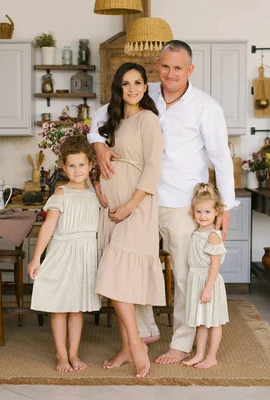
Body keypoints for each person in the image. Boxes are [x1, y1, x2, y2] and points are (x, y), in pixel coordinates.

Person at [88, 40, 240, 365]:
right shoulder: (143, 92)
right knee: (132, 266)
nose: (170, 74)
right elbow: (99, 118)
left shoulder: (205, 106)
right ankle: (141, 334)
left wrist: (225, 206)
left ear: (190, 70)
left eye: (178, 68)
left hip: (181, 202)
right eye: (166, 66)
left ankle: (181, 344)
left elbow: (221, 158)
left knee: (186, 276)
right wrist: (99, 146)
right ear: (158, 65)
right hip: (139, 200)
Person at [94, 62, 165, 378]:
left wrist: (130, 206)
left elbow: (153, 168)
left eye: (138, 82)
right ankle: (126, 347)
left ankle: (136, 345)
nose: (133, 88)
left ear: (146, 86)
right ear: (118, 88)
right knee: (118, 280)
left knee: (115, 271)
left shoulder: (148, 120)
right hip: (111, 208)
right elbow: (104, 158)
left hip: (136, 208)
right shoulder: (114, 120)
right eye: (126, 83)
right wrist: (98, 182)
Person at [27, 135, 101, 373]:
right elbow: (48, 227)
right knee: (59, 305)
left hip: (85, 254)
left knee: (77, 307)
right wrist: (36, 257)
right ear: (63, 167)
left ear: (91, 165)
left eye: (81, 165)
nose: (77, 170)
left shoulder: (95, 194)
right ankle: (61, 355)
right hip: (63, 252)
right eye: (71, 165)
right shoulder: (60, 193)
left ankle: (74, 353)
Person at [182, 183, 229, 369]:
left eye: (207, 212)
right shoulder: (197, 232)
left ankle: (211, 356)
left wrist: (208, 287)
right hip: (196, 280)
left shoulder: (212, 236)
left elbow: (215, 265)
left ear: (217, 212)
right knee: (200, 321)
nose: (202, 216)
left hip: (208, 282)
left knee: (214, 321)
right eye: (199, 212)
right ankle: (199, 353)